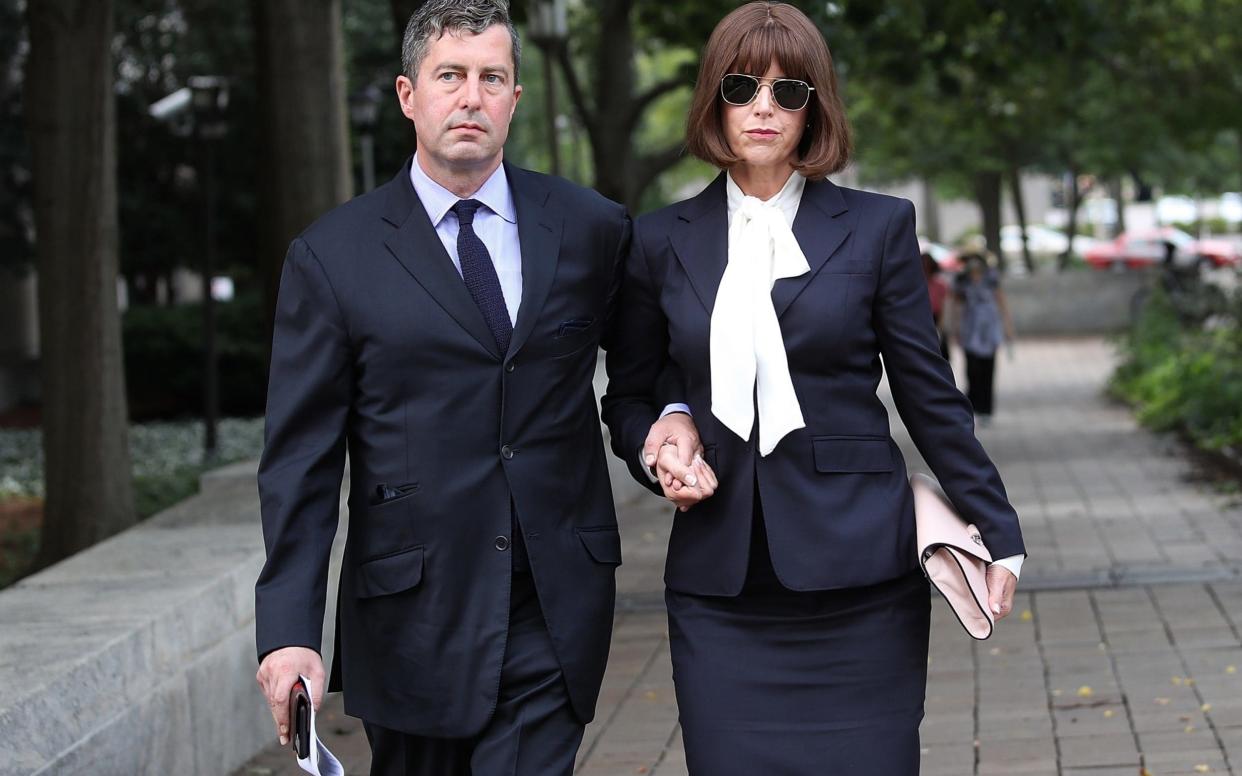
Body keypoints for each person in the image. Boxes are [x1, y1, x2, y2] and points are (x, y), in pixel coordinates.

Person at [252, 2, 700, 774]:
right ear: (407, 94)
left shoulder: (591, 228)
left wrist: (667, 428)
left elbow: (640, 380)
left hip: (553, 598)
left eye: (492, 78)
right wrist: (289, 630)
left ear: (516, 98)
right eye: (450, 76)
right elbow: (301, 461)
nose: (471, 97)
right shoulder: (333, 257)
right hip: (410, 614)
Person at [601, 3, 1026, 773]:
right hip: (719, 583)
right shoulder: (658, 240)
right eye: (742, 87)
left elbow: (928, 393)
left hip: (861, 574)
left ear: (814, 107)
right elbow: (630, 393)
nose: (763, 108)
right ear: (714, 101)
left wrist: (998, 530)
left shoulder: (879, 228)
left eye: (787, 91)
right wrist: (658, 439)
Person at [949, 251, 1015, 423]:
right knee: (972, 369)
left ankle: (986, 409)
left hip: (989, 329)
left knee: (988, 368)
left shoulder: (991, 279)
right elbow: (956, 305)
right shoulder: (961, 281)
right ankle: (972, 404)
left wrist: (1007, 327)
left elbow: (1001, 302)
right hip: (969, 329)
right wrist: (955, 327)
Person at [922, 250, 951, 361]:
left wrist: (941, 325)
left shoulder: (940, 284)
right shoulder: (916, 284)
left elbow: (944, 305)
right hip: (922, 319)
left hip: (937, 318)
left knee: (941, 352)